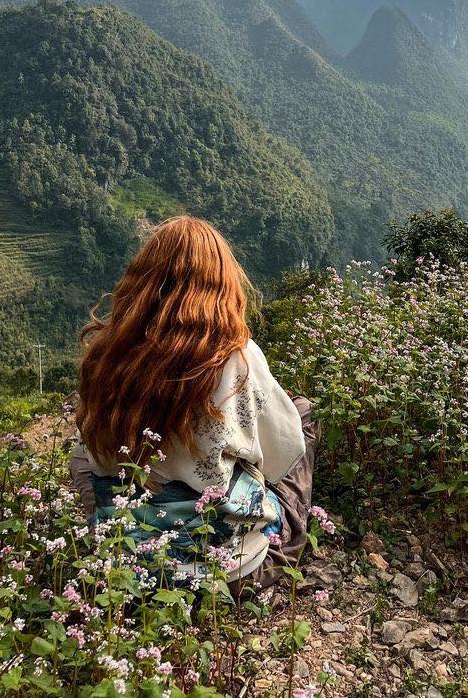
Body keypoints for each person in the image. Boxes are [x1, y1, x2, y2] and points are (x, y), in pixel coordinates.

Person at [69, 215, 318, 590]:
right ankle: (286, 538)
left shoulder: (107, 352)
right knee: (301, 414)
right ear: (222, 284)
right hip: (226, 572)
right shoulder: (235, 356)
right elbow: (283, 454)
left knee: (79, 453)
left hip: (128, 564)